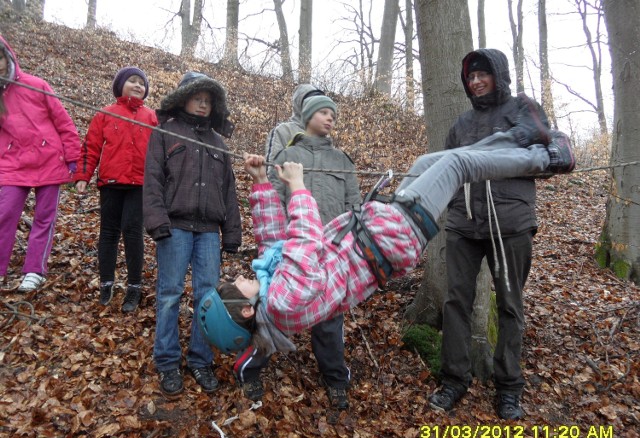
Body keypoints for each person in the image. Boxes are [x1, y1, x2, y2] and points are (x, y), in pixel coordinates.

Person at [199, 112, 575, 399]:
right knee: (458, 166)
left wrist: (262, 183)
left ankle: (518, 141)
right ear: (246, 310)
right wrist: (297, 188)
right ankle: (547, 157)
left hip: (379, 228)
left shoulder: (271, 292)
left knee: (430, 161)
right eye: (233, 287)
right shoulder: (283, 303)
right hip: (390, 237)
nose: (236, 279)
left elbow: (273, 243)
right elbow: (304, 242)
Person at [427, 48, 552, 421]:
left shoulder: (521, 109)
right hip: (464, 225)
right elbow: (446, 171)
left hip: (511, 224)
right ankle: (454, 380)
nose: (477, 81)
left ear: (498, 75)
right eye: (471, 77)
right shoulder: (461, 124)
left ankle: (509, 388)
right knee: (455, 303)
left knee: (510, 304)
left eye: (483, 74)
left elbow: (544, 153)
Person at [234, 94, 361, 409]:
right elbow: (274, 201)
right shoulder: (288, 154)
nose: (330, 118)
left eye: (333, 114)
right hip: (291, 252)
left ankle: (335, 380)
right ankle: (251, 371)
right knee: (270, 315)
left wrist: (353, 240)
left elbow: (355, 205)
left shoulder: (343, 160)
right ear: (307, 116)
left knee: (331, 318)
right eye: (323, 113)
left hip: (330, 252)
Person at [143, 72, 242, 397]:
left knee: (207, 297)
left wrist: (232, 234)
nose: (203, 103)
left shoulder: (218, 143)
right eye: (197, 97)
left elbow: (229, 192)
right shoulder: (165, 132)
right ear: (182, 97)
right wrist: (157, 222)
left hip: (209, 233)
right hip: (175, 227)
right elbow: (153, 180)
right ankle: (168, 362)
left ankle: (201, 360)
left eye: (208, 99)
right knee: (169, 295)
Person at [74, 67, 158, 312]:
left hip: (139, 184)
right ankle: (106, 282)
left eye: (141, 83)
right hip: (110, 182)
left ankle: (134, 286)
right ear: (120, 85)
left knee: (133, 232)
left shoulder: (152, 117)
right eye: (132, 81)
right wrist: (83, 176)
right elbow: (90, 147)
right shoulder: (106, 114)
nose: (137, 85)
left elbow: (162, 151)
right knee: (108, 232)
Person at [0, 35, 81, 291]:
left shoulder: (36, 85)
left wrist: (73, 157)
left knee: (44, 218)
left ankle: (35, 270)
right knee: (5, 214)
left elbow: (64, 122)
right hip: (13, 164)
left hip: (50, 161)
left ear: (8, 57)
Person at [264, 83, 325, 163]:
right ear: (300, 104)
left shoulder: (322, 134)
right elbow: (272, 166)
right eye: (310, 102)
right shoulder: (283, 131)